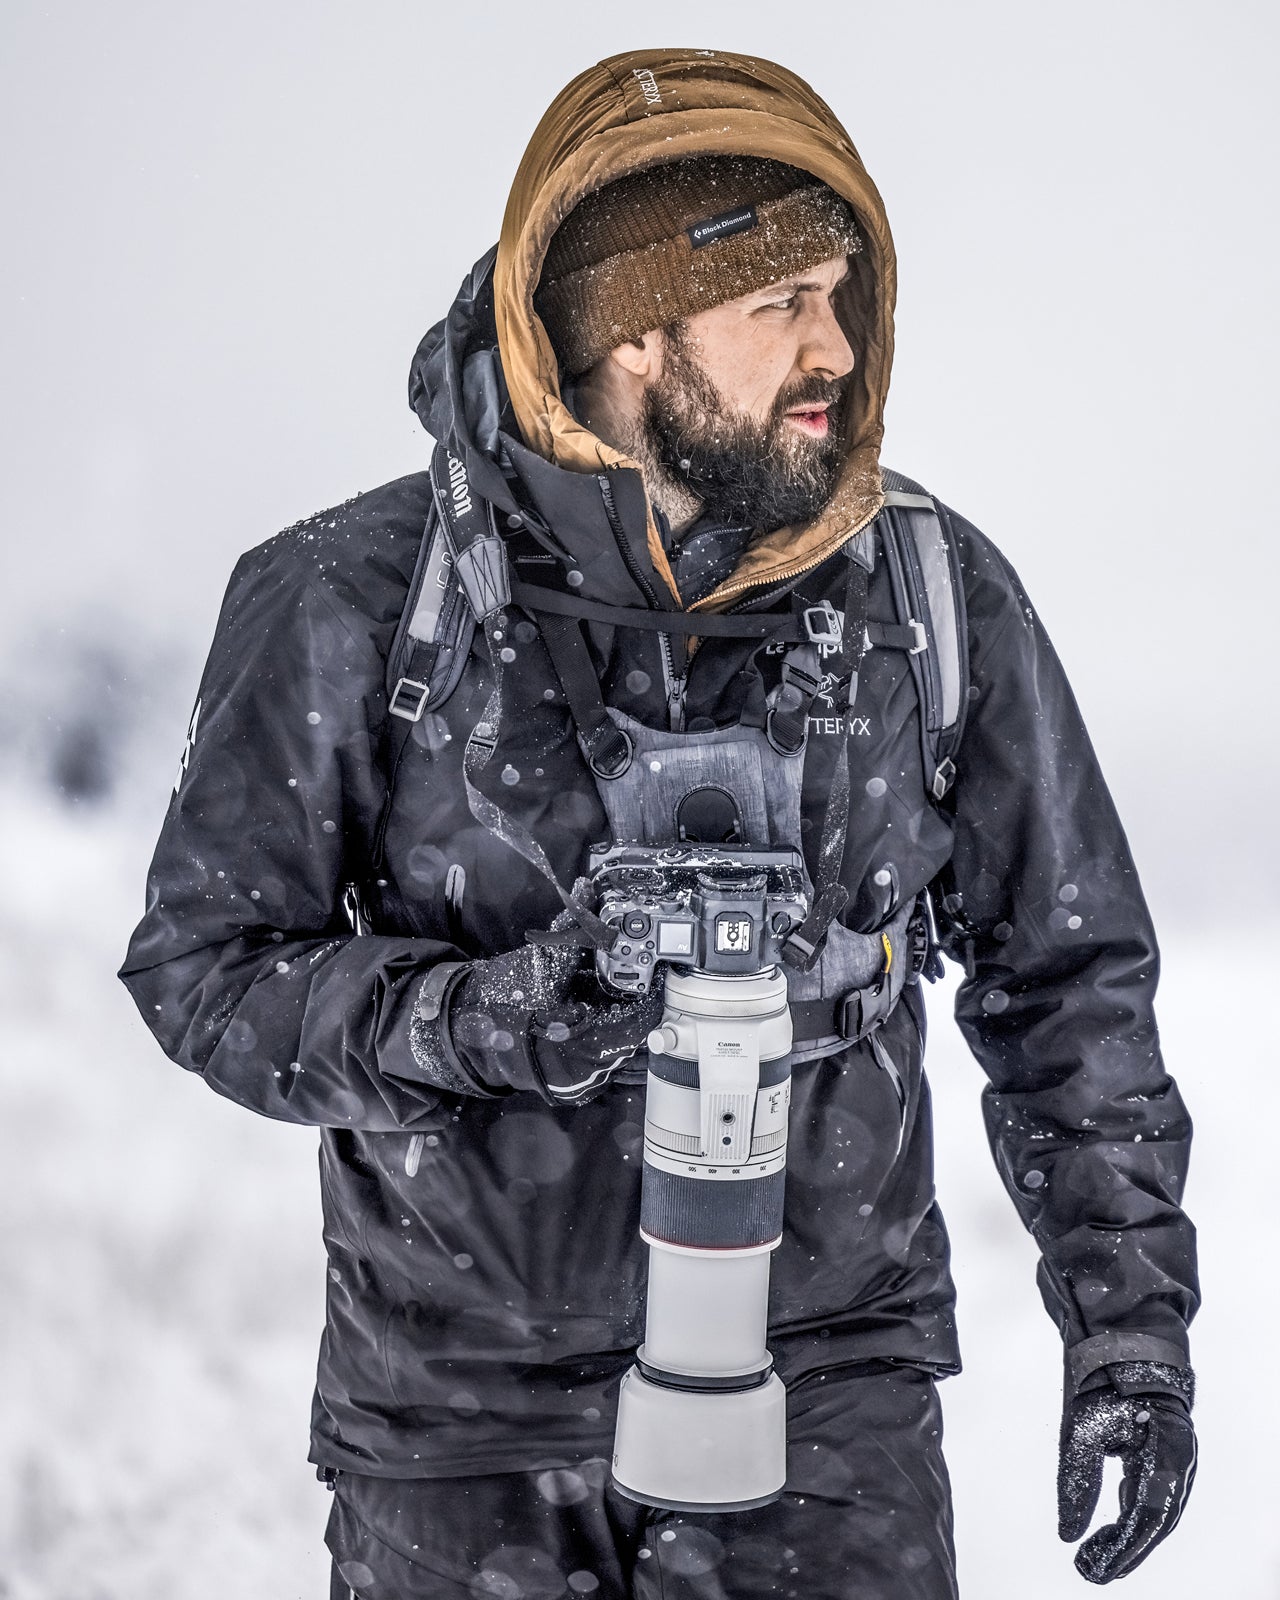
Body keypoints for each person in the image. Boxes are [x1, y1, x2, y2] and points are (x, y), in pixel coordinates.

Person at [120, 47, 1199, 1600]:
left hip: (835, 1414)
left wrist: (1130, 1331)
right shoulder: (349, 603)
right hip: (459, 1429)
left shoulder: (930, 601)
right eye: (780, 305)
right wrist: (479, 1016)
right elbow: (204, 971)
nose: (837, 344)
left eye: (842, 293)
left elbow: (1070, 976)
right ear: (632, 333)